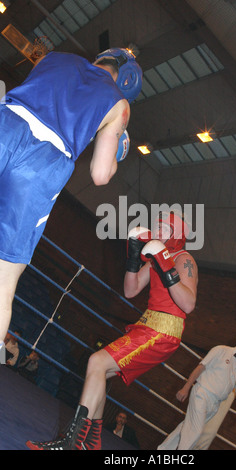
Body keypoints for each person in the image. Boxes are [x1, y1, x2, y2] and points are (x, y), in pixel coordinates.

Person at [0, 47, 142, 348]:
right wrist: (117, 147)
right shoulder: (119, 106)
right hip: (43, 162)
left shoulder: (54, 56)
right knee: (4, 280)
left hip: (7, 122)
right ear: (127, 84)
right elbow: (100, 174)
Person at [26, 210, 198, 450]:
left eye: (165, 229)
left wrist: (166, 266)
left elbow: (188, 304)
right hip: (149, 325)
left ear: (179, 234)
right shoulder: (157, 257)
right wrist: (134, 257)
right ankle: (92, 441)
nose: (158, 233)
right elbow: (131, 290)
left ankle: (72, 442)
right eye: (157, 227)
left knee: (97, 362)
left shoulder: (183, 259)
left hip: (164, 328)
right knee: (99, 371)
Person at [157, 335, 236, 450]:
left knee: (186, 427)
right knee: (195, 431)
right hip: (202, 393)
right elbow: (200, 368)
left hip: (215, 404)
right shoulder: (221, 350)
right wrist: (186, 387)